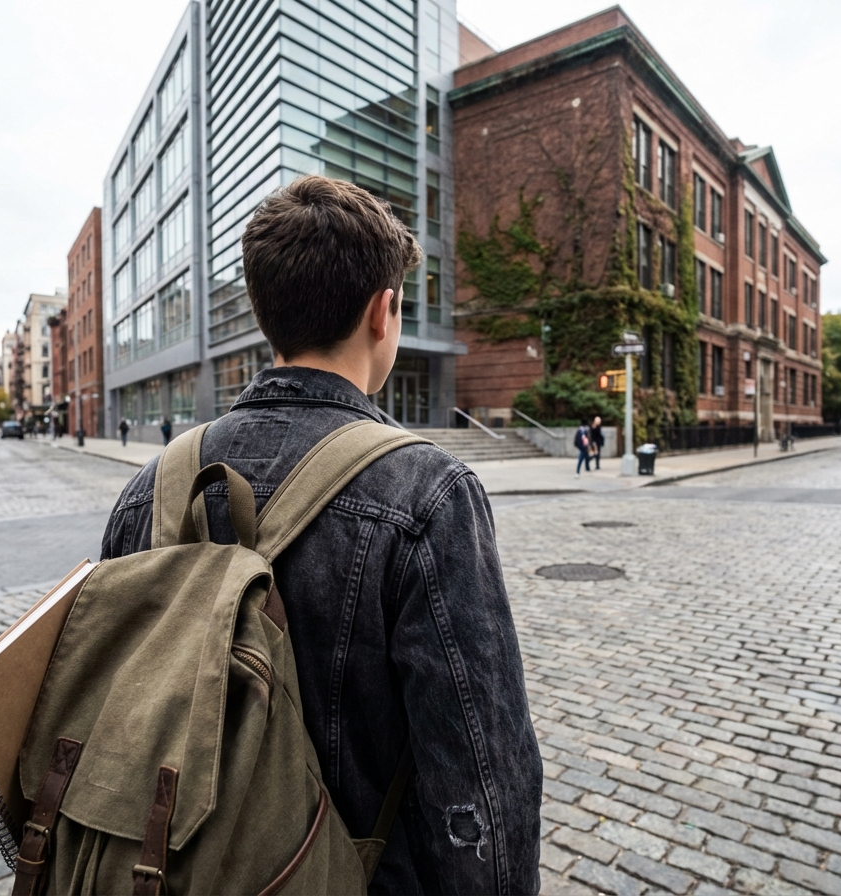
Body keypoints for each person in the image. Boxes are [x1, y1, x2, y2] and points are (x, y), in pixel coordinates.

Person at [101, 176, 541, 894]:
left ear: (266, 311)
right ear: (383, 310)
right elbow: (481, 776)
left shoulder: (148, 488)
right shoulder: (428, 493)